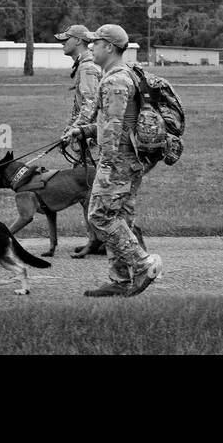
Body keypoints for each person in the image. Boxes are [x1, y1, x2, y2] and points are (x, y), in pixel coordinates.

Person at [63, 24, 163, 296]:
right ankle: (121, 281)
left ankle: (142, 265)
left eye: (95, 42)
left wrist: (105, 165)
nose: (91, 46)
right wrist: (82, 130)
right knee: (120, 217)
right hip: (129, 159)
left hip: (118, 161)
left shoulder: (115, 81)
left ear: (109, 46)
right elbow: (112, 122)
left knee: (99, 215)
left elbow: (114, 127)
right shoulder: (122, 75)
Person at [57, 24, 100, 165]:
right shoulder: (84, 64)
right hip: (89, 134)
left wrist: (72, 132)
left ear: (78, 41)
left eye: (66, 39)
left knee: (92, 179)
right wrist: (68, 130)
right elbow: (80, 105)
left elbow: (90, 105)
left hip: (93, 138)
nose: (62, 43)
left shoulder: (87, 67)